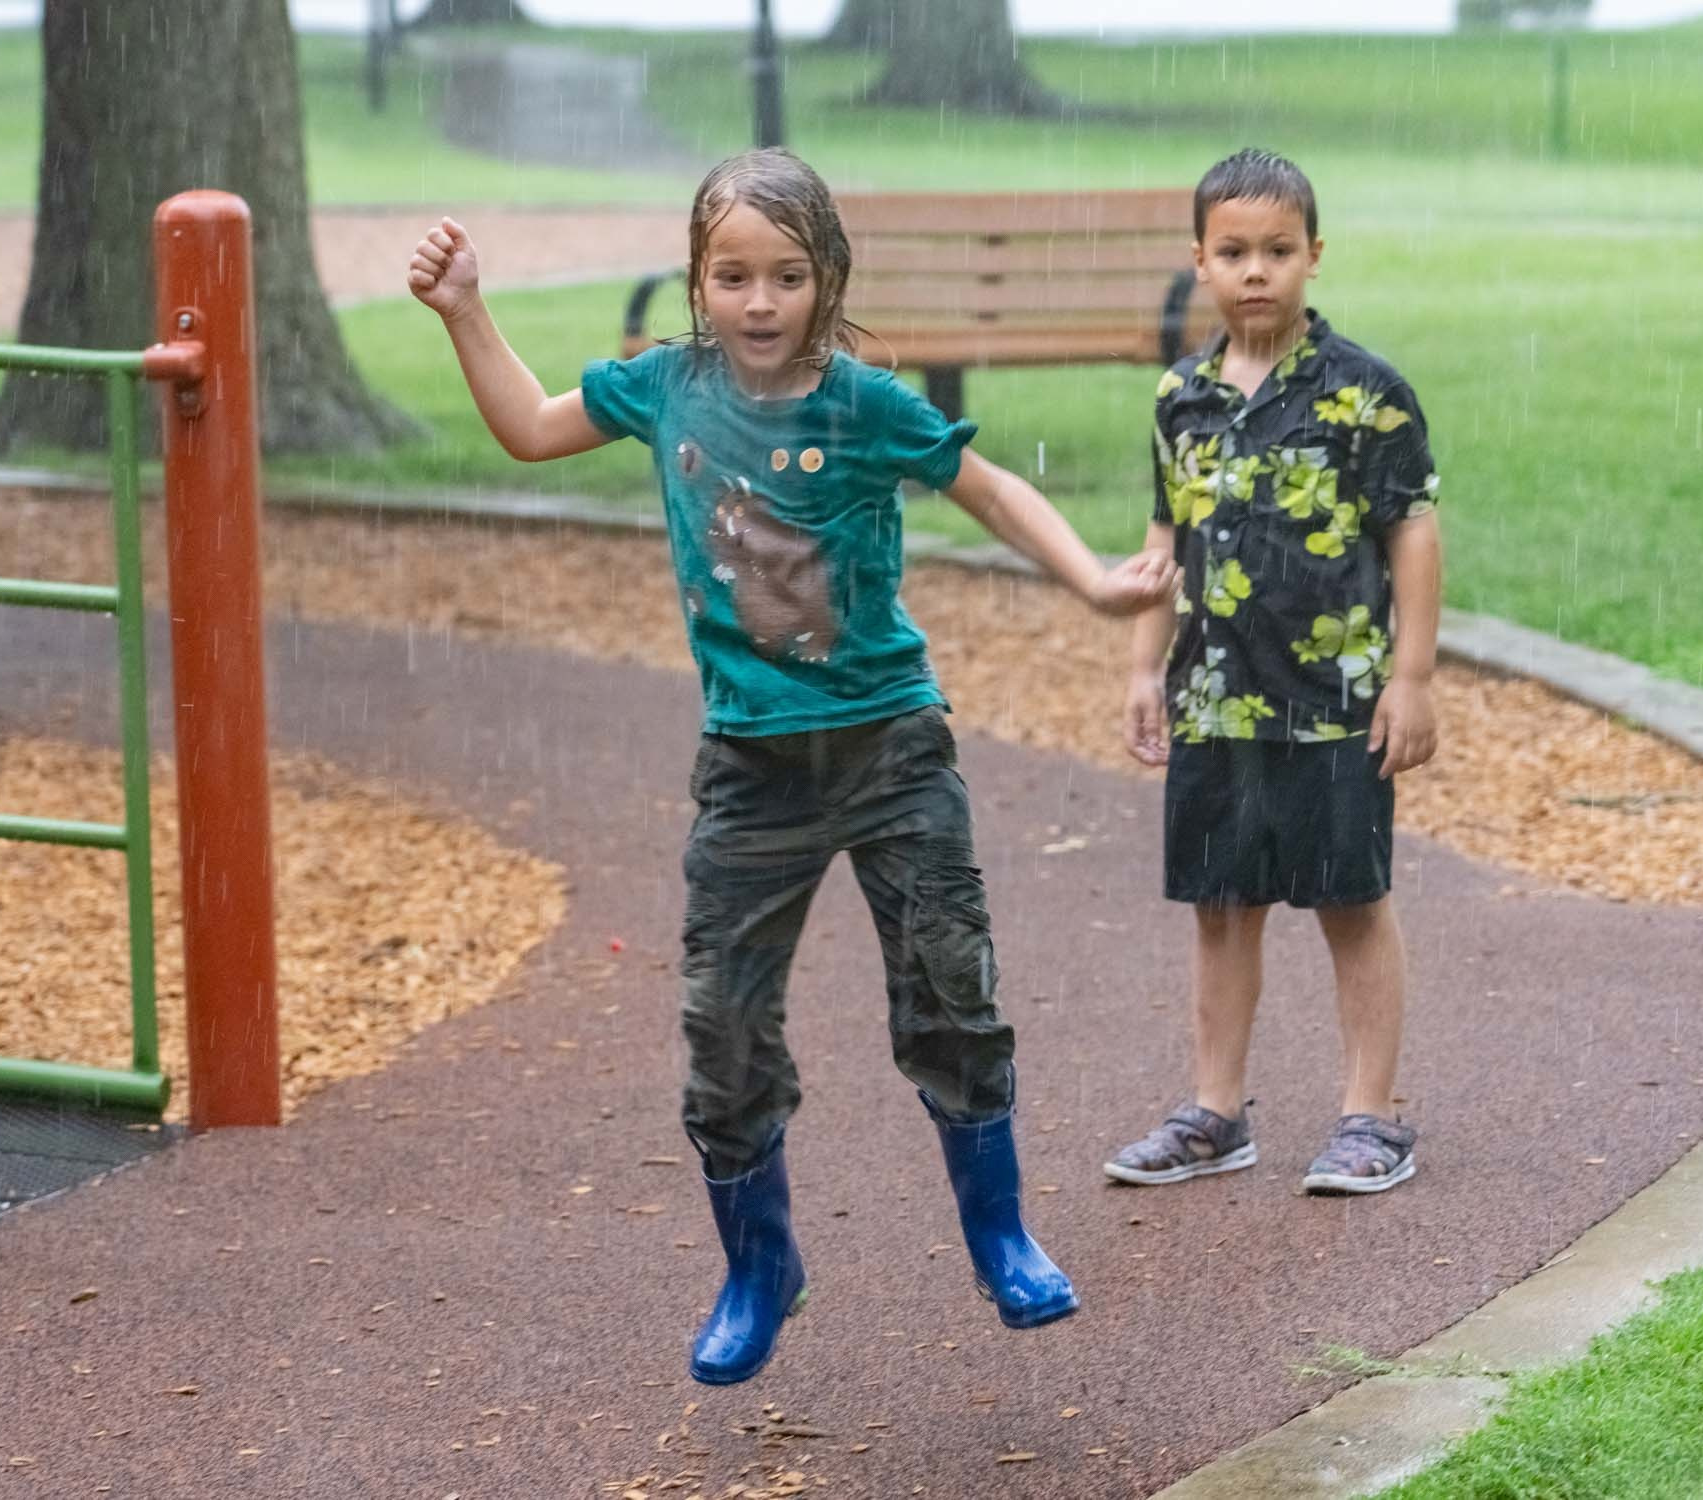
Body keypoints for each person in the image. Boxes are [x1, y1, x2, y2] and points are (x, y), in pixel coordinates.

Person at [407, 149, 1178, 1385]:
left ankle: (1001, 1230)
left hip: (889, 743)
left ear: (826, 281)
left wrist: (1092, 579)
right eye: (731, 276)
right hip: (752, 768)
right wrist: (466, 312)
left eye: (785, 276)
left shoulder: (866, 405)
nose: (759, 302)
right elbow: (529, 427)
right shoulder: (664, 390)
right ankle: (759, 1267)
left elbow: (982, 487)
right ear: (697, 282)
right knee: (722, 1025)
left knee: (949, 986)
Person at [1107, 148, 1444, 1197]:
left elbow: (1413, 531)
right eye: (1235, 252)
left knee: (1351, 901)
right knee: (1221, 903)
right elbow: (1165, 537)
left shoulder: (1365, 396)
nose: (1257, 271)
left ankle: (1372, 1116)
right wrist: (1142, 668)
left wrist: (1415, 677)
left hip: (1335, 702)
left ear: (1314, 258)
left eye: (1279, 252)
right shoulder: (1181, 398)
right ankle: (1215, 1110)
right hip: (1214, 699)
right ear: (1199, 262)